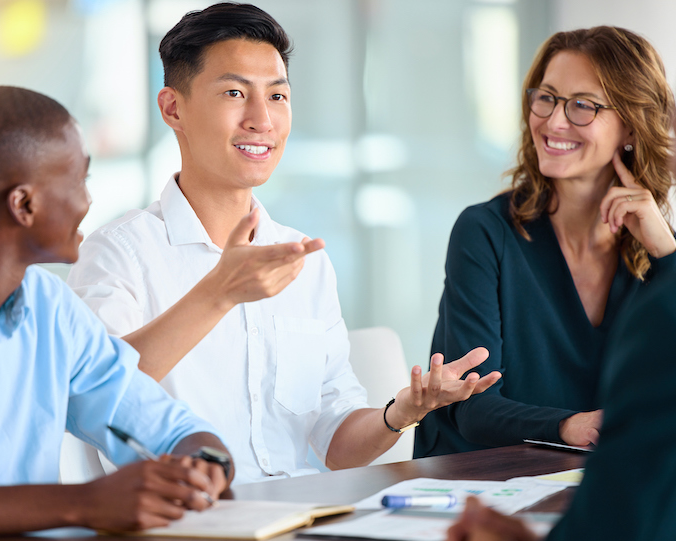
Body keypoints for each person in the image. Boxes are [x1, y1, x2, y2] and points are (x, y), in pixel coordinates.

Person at [67, 2, 501, 484]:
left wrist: (401, 412)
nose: (261, 119)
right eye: (235, 92)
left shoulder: (303, 259)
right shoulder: (118, 253)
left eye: (277, 96)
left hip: (298, 513)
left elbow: (337, 445)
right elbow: (97, 397)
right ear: (173, 108)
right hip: (183, 518)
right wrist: (220, 293)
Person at [0, 86, 234, 537]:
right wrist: (82, 504)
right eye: (79, 180)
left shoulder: (53, 310)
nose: (88, 202)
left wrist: (204, 462)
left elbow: (163, 424)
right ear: (24, 204)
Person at [446, 28, 676, 541]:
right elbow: (471, 405)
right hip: (474, 496)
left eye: (582, 105)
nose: (553, 120)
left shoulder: (658, 251)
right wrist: (571, 426)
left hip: (590, 499)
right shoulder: (485, 232)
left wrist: (667, 253)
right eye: (547, 97)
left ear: (630, 125)